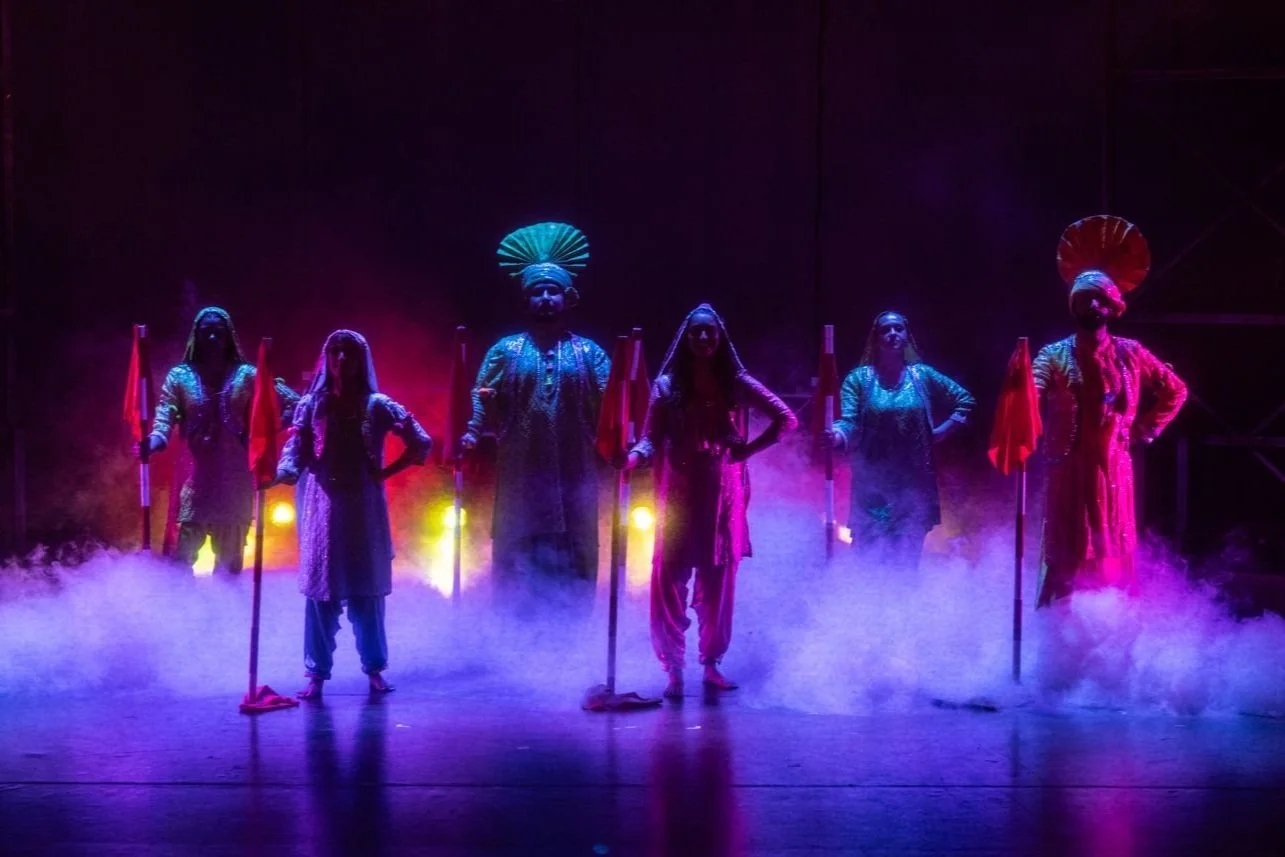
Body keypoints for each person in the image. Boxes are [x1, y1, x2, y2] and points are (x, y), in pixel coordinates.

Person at [624, 304, 798, 697]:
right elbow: (650, 439)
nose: (703, 337)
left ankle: (712, 663)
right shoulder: (666, 386)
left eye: (710, 332)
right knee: (668, 578)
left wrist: (747, 450)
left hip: (722, 496)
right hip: (678, 494)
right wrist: (633, 457)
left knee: (718, 581)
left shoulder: (736, 383)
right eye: (696, 332)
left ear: (720, 338)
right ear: (685, 339)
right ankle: (673, 667)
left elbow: (786, 419)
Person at [1034, 215, 1187, 606]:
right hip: (1069, 468)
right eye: (1084, 299)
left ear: (1113, 305)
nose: (1092, 305)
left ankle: (1112, 621)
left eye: (1099, 298)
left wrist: (1146, 429)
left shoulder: (1131, 353)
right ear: (1073, 305)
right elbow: (1031, 387)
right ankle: (1059, 623)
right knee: (1067, 544)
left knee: (1112, 544)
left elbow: (1175, 390)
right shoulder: (1054, 354)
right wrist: (1021, 397)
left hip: (1113, 467)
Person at [460, 222, 611, 610]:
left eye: (552, 291)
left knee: (573, 551)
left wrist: (625, 441)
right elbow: (480, 395)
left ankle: (572, 632)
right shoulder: (505, 350)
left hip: (574, 470)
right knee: (520, 551)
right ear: (526, 299)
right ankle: (514, 631)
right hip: (521, 472)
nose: (545, 298)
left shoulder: (590, 353)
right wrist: (473, 432)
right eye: (537, 292)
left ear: (567, 297)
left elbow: (614, 405)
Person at [275, 330, 432, 698]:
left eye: (348, 352)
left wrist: (386, 472)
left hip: (364, 509)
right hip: (322, 509)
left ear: (362, 359)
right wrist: (285, 469)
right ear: (326, 358)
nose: (342, 359)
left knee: (368, 592)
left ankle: (375, 669)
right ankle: (315, 673)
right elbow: (296, 447)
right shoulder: (311, 404)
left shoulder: (377, 405)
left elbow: (421, 441)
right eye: (335, 352)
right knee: (320, 592)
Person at [144, 306, 298, 574]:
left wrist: (262, 435)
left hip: (234, 481)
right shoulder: (179, 376)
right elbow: (165, 416)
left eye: (218, 332)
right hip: (194, 480)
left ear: (229, 336)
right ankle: (177, 603)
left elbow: (294, 404)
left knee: (229, 564)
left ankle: (227, 602)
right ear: (196, 335)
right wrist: (153, 442)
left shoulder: (248, 375)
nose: (213, 338)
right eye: (206, 332)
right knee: (180, 560)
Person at [829, 311, 974, 571]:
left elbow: (965, 401)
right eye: (885, 330)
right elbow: (849, 421)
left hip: (913, 485)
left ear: (907, 336)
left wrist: (940, 432)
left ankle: (904, 599)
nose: (892, 334)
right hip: (872, 487)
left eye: (898, 328)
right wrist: (837, 435)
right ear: (876, 338)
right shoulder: (859, 380)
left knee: (906, 564)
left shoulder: (922, 376)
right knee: (869, 562)